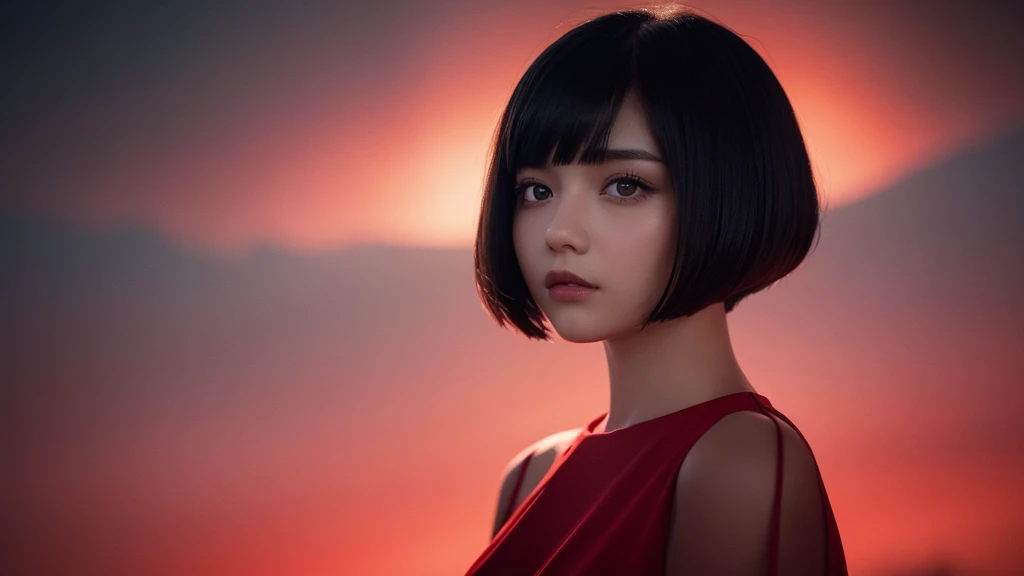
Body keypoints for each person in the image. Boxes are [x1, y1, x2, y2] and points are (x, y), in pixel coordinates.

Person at [467, 4, 847, 575]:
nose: (559, 233)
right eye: (536, 191)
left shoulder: (739, 462)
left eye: (624, 185)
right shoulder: (527, 477)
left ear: (726, 193)